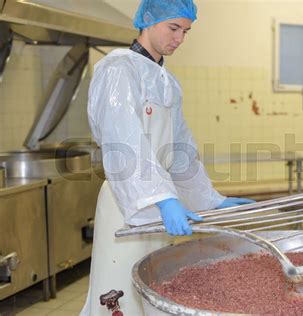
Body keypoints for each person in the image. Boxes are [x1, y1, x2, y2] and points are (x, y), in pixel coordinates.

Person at [80, 1, 254, 315]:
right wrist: (160, 197)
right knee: (118, 294)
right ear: (147, 20)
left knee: (153, 292)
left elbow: (180, 149)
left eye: (186, 32)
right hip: (128, 203)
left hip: (160, 207)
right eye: (173, 28)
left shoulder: (167, 82)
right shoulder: (119, 68)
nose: (179, 39)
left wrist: (209, 199)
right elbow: (123, 141)